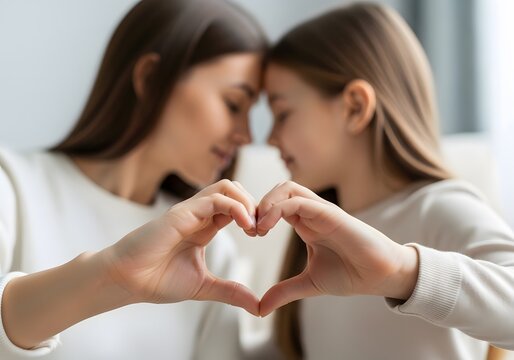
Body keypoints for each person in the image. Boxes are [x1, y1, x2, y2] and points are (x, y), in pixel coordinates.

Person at [0, 0, 267, 359]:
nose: (247, 136)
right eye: (234, 105)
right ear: (150, 78)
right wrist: (111, 276)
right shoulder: (12, 186)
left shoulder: (210, 249)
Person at [256, 3, 514, 359]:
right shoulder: (316, 238)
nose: (269, 137)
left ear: (355, 107)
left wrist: (401, 272)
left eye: (282, 113)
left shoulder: (439, 207)